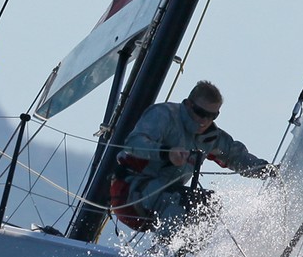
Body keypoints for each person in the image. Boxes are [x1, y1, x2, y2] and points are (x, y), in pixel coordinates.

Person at [114, 80, 275, 234]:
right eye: (201, 113)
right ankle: (166, 255)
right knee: (180, 201)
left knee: (209, 205)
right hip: (129, 194)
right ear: (189, 104)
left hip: (163, 201)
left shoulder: (211, 138)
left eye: (213, 115)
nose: (205, 120)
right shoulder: (164, 115)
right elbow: (133, 143)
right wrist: (166, 153)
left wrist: (267, 171)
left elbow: (236, 157)